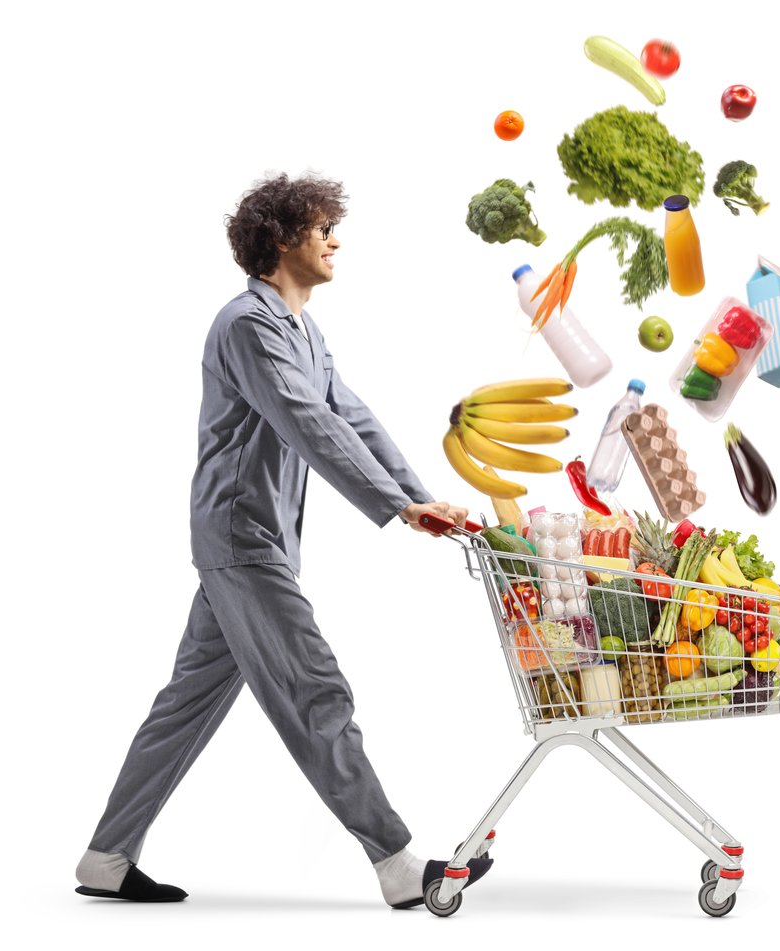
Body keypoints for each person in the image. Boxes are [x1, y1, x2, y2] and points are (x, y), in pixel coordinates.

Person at [74, 173, 491, 908]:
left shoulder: (301, 329)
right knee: (315, 689)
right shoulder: (246, 325)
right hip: (243, 538)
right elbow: (307, 422)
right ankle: (397, 863)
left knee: (185, 705)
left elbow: (350, 415)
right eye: (321, 227)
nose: (336, 240)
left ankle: (105, 858)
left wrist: (420, 497)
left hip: (253, 540)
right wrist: (395, 507)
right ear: (280, 238)